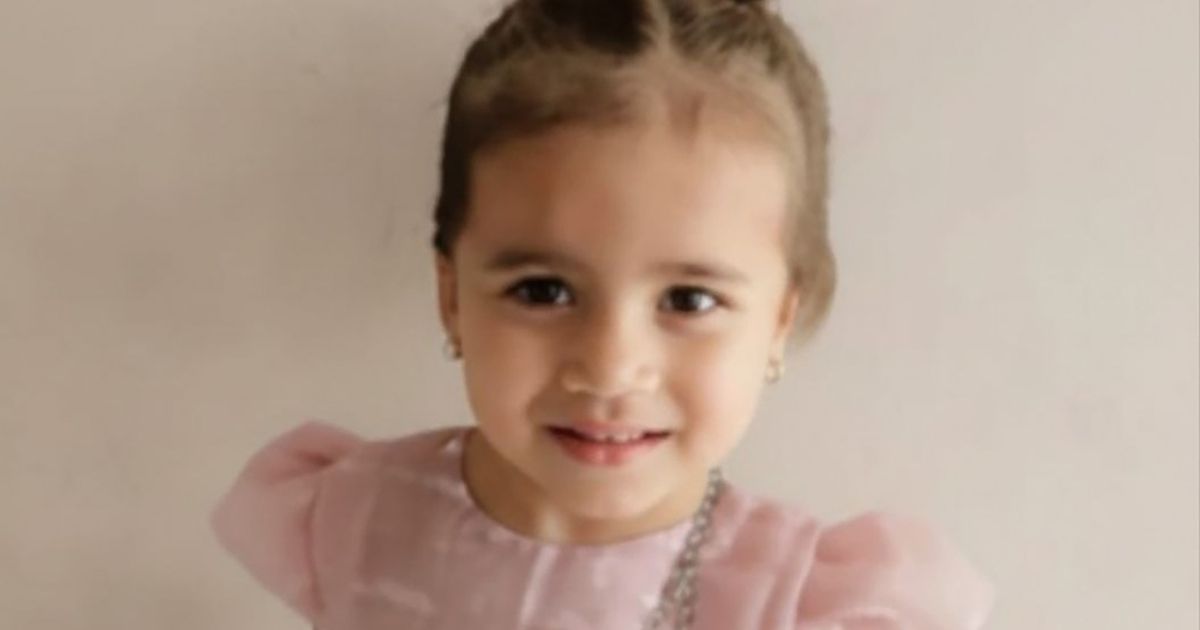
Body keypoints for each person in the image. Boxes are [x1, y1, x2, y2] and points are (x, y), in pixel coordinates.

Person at [210, 0, 995, 627]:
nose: (611, 367)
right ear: (452, 297)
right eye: (544, 290)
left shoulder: (802, 605)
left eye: (689, 300)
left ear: (779, 323)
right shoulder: (353, 517)